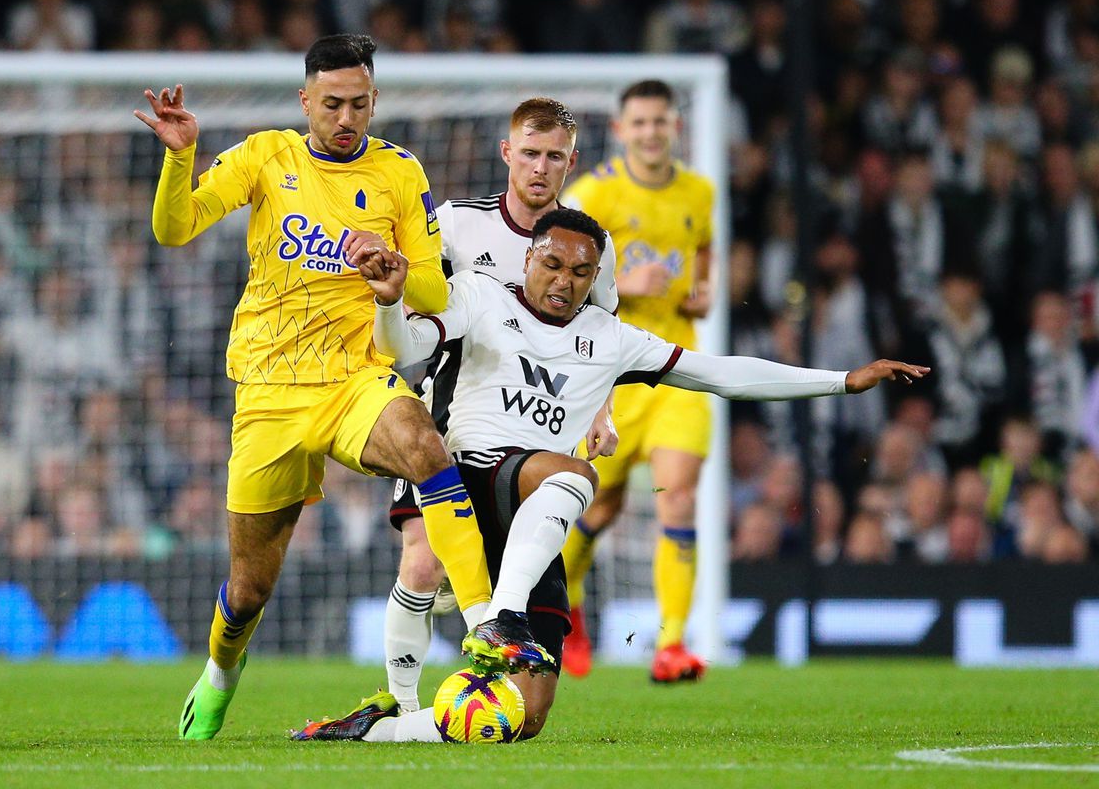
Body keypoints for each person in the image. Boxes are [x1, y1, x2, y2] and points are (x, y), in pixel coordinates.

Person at [291, 208, 927, 742]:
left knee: (526, 715)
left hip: (534, 511)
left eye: (580, 271)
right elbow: (403, 351)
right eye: (551, 264)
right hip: (474, 476)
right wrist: (390, 303)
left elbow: (721, 374)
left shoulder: (611, 338)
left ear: (596, 278)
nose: (563, 280)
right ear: (528, 261)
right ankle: (494, 624)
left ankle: (380, 730)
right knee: (571, 476)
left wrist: (843, 381)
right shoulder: (480, 297)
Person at [134, 33, 502, 740]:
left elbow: (432, 282)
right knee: (247, 591)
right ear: (305, 100)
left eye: (359, 104)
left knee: (425, 446)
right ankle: (219, 674)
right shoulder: (266, 155)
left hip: (353, 378)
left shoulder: (399, 172)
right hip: (269, 390)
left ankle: (486, 624)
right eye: (331, 103)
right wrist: (180, 159)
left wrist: (393, 269)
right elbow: (174, 230)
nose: (345, 117)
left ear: (374, 102)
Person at [381, 96, 619, 715]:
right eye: (531, 153)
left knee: (505, 567)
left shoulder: (591, 244)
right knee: (424, 559)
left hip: (534, 432)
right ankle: (397, 705)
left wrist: (601, 412)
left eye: (555, 157)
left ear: (573, 162)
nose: (541, 168)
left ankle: (499, 649)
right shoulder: (458, 225)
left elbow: (603, 339)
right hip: (449, 415)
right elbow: (419, 312)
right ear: (507, 153)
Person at [558, 79, 717, 681]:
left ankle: (672, 643)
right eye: (640, 123)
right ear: (621, 131)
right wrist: (624, 290)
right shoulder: (593, 193)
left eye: (661, 121)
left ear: (675, 128)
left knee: (678, 494)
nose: (652, 132)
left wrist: (704, 291)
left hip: (677, 366)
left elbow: (703, 252)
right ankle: (568, 607)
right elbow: (559, 286)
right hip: (610, 375)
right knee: (594, 507)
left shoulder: (699, 192)